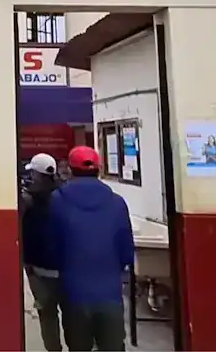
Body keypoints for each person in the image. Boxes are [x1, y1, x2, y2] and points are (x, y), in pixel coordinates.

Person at [48, 146, 135, 352]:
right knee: (112, 346)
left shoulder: (57, 201)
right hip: (110, 292)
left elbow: (52, 246)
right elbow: (126, 250)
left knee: (78, 346)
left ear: (69, 169)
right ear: (99, 168)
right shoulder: (117, 203)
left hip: (73, 291)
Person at [19, 152, 64, 352]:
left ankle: (53, 349)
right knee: (70, 312)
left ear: (36, 175)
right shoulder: (65, 196)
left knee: (47, 315)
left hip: (37, 267)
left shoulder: (28, 199)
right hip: (64, 266)